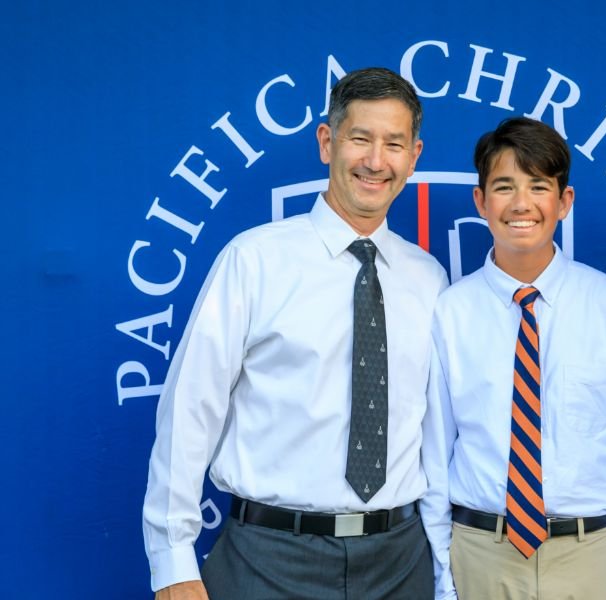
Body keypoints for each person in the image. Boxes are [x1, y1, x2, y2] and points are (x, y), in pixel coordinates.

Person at [142, 67, 448, 600]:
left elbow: (438, 434)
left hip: (400, 563)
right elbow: (190, 409)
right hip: (268, 561)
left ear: (414, 155)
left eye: (394, 144)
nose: (377, 161)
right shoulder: (254, 260)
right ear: (327, 142)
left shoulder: (429, 278)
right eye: (360, 139)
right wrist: (172, 561)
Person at [420, 116, 606, 600]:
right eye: (504, 186)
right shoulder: (451, 311)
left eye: (538, 186)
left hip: (589, 553)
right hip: (482, 553)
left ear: (564, 202)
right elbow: (435, 457)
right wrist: (445, 581)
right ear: (481, 201)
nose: (521, 204)